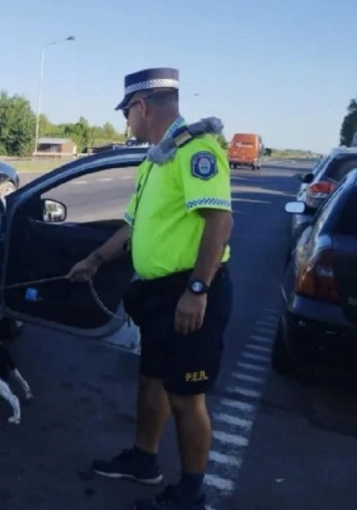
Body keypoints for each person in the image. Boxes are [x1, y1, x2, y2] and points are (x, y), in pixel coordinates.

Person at [67, 67, 234, 510]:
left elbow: (220, 221)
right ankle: (144, 460)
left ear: (141, 106)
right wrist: (95, 259)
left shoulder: (196, 151)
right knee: (153, 383)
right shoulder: (156, 159)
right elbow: (133, 225)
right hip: (160, 295)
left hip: (191, 293)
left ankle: (191, 495)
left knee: (185, 398)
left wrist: (197, 289)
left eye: (126, 113)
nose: (126, 122)